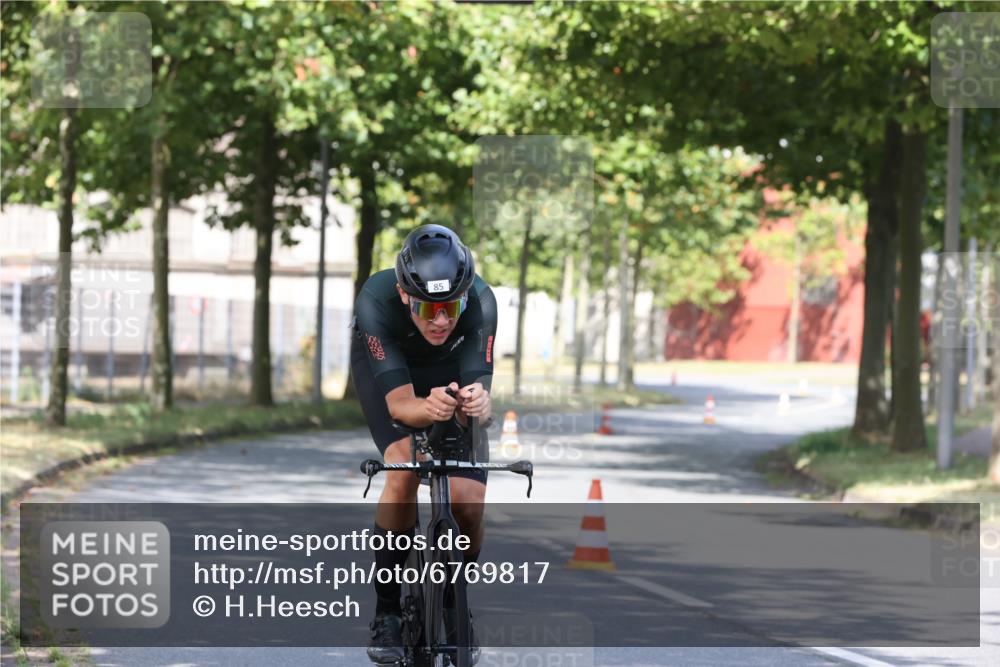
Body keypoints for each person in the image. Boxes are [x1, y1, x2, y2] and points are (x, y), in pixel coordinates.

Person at [351, 224, 496, 665]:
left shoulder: (481, 301)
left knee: (469, 501)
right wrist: (427, 408)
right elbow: (400, 406)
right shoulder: (376, 300)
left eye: (451, 306)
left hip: (450, 367)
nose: (441, 320)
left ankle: (454, 603)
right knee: (403, 471)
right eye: (428, 308)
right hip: (392, 375)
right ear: (403, 294)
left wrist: (479, 403)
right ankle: (388, 612)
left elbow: (479, 402)